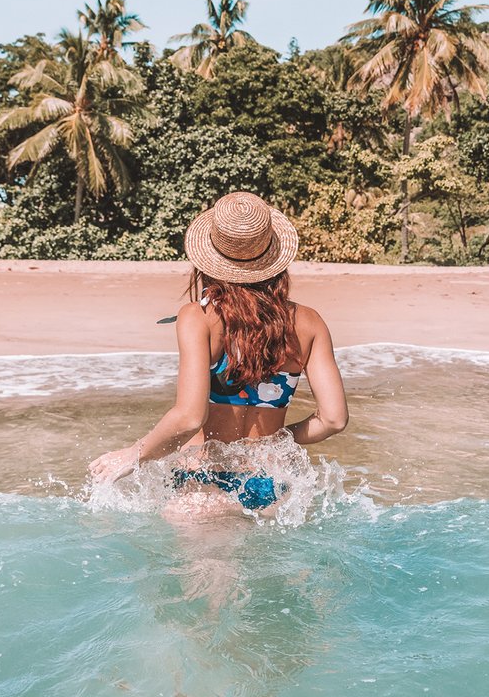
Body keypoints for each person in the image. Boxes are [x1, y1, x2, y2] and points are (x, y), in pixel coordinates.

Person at [88, 191, 349, 510]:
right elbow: (334, 420)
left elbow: (189, 417)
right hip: (270, 482)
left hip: (201, 481)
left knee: (203, 562)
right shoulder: (309, 323)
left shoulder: (198, 318)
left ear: (208, 260)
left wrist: (133, 454)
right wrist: (279, 437)